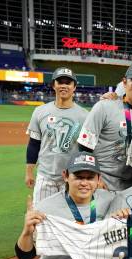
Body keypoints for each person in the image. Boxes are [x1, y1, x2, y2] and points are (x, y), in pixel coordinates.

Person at [77, 63, 132, 191]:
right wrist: (93, 176)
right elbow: (84, 146)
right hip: (104, 183)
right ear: (124, 82)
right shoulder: (104, 107)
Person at [25, 67, 89, 205]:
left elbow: (87, 149)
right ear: (54, 85)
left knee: (69, 221)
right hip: (45, 176)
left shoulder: (84, 116)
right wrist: (29, 172)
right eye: (60, 82)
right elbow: (33, 144)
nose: (64, 86)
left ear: (74, 87)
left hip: (72, 177)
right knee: (40, 219)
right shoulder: (40, 111)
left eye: (68, 82)